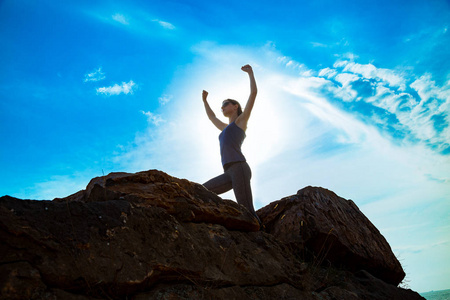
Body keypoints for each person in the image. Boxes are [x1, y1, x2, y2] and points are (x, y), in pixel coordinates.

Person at [201, 64, 261, 226]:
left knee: (247, 209)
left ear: (235, 107)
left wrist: (250, 73)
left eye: (226, 103)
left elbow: (253, 94)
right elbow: (212, 117)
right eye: (222, 105)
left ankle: (265, 241)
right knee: (200, 191)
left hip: (239, 168)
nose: (222, 107)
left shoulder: (241, 122)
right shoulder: (225, 128)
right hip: (228, 172)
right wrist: (205, 101)